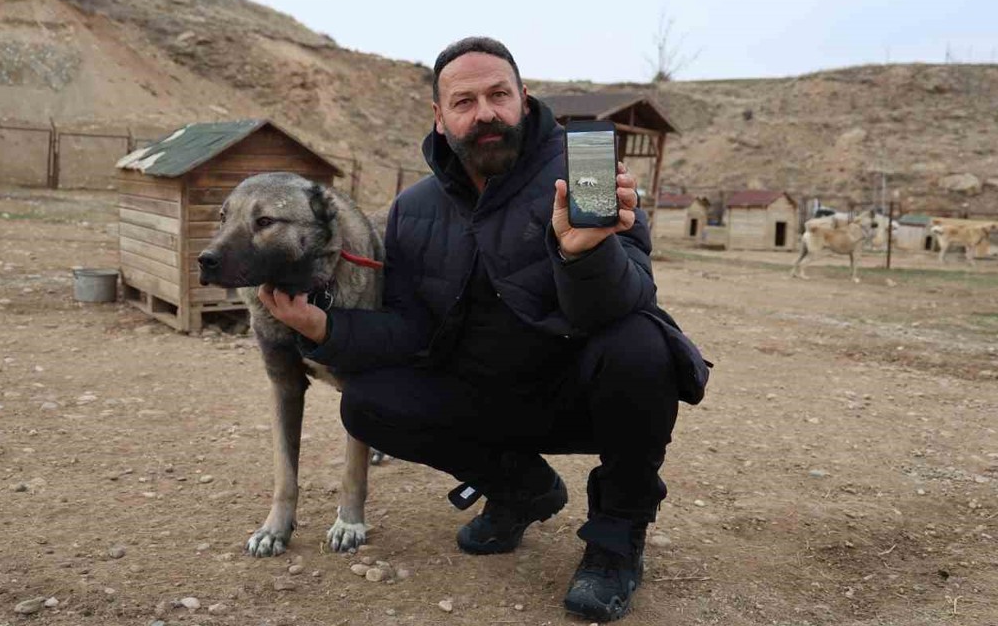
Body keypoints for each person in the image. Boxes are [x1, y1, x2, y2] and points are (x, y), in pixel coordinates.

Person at [258, 36, 710, 622]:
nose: (486, 112)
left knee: (640, 342)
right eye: (464, 101)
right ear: (441, 119)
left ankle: (615, 542)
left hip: (579, 394)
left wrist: (584, 253)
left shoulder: (582, 185)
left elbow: (626, 302)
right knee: (367, 403)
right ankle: (522, 489)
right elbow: (408, 328)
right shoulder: (414, 208)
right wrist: (326, 328)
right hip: (485, 398)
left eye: (499, 94)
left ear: (524, 100)